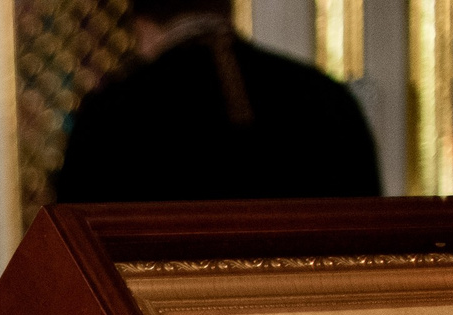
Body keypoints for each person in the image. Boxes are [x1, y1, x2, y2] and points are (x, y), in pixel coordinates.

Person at [52, 0, 380, 203]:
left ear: (143, 27)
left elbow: (77, 254)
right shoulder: (324, 97)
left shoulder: (114, 112)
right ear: (228, 9)